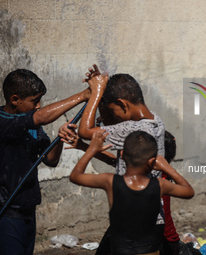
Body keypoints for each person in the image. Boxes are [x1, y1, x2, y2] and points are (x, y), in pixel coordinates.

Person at [0, 69, 90, 255]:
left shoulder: (33, 128)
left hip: (27, 212)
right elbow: (41, 116)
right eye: (34, 101)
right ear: (14, 100)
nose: (38, 106)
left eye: (40, 101)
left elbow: (51, 160)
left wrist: (61, 137)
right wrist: (84, 95)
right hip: (5, 213)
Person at [77, 64, 166, 254]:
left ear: (123, 104)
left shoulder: (133, 130)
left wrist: (96, 93)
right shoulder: (156, 121)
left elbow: (85, 130)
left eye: (111, 109)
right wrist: (84, 147)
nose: (109, 116)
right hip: (148, 217)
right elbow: (118, 162)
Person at [70, 130, 194, 255]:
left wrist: (91, 149)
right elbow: (188, 191)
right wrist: (165, 166)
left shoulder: (111, 181)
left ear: (122, 155)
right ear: (154, 160)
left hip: (131, 246)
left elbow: (76, 176)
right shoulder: (160, 183)